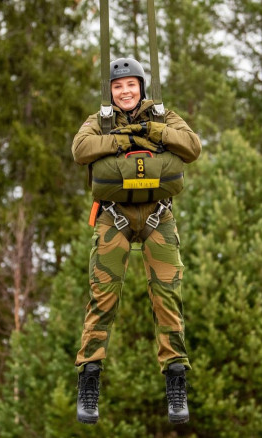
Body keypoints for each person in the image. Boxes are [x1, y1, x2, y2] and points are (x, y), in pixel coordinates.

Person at [71, 57, 201, 425]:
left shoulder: (163, 116)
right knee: (103, 296)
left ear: (141, 86)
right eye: (117, 86)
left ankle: (176, 378)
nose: (125, 91)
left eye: (131, 84)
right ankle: (89, 378)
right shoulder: (99, 121)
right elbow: (80, 150)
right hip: (114, 216)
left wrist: (157, 133)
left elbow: (192, 147)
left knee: (168, 295)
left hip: (159, 215)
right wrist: (119, 140)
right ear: (109, 91)